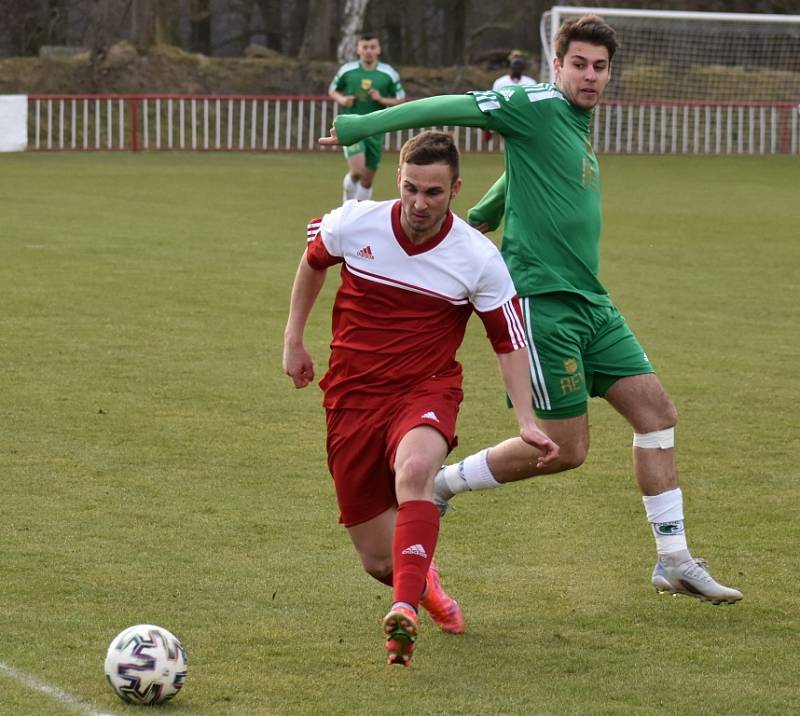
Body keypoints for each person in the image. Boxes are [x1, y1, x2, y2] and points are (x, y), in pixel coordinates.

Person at [319, 15, 743, 605]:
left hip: (593, 301)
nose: (589, 76)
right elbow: (454, 107)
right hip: (544, 306)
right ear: (557, 65)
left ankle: (673, 561)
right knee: (566, 450)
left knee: (658, 414)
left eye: (599, 67)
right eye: (579, 64)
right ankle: (440, 483)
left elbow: (526, 179)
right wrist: (366, 122)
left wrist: (479, 219)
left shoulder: (575, 121)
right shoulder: (536, 102)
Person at [283, 131, 559, 666]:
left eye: (433, 192)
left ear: (455, 189)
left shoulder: (477, 257)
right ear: (398, 182)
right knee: (376, 559)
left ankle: (403, 611)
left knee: (415, 475)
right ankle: (424, 588)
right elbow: (313, 260)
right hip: (352, 397)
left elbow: (509, 339)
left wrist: (526, 418)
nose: (419, 204)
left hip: (425, 389)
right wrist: (293, 338)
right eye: (411, 189)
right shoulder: (354, 221)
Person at [328, 33, 405, 203]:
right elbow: (333, 90)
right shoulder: (347, 71)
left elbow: (400, 99)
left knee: (367, 179)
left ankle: (360, 212)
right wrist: (342, 99)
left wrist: (382, 99)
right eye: (365, 47)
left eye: (372, 47)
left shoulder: (388, 73)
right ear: (358, 50)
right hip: (352, 126)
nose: (368, 51)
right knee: (357, 171)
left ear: (378, 50)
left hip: (376, 129)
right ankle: (347, 205)